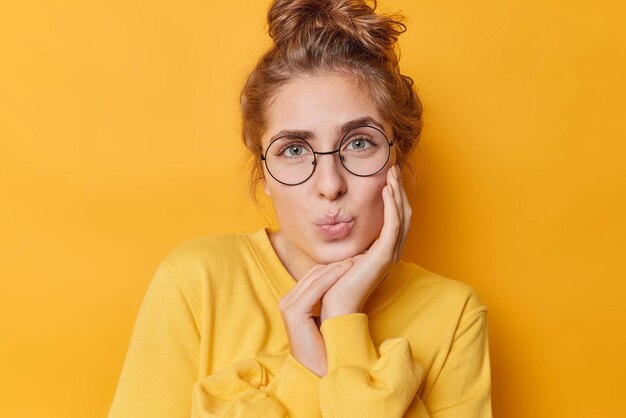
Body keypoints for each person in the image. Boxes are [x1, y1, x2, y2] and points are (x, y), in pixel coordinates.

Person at [108, 0, 493, 417]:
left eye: (359, 143)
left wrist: (341, 318)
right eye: (294, 149)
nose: (329, 185)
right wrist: (309, 371)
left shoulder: (454, 316)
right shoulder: (196, 282)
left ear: (396, 158)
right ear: (265, 174)